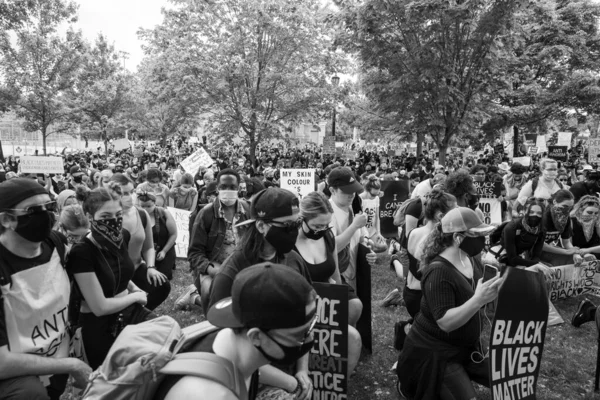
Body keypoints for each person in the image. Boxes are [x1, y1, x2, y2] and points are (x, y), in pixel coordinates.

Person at [208, 187, 313, 399]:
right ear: (261, 225)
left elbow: (304, 322)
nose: (294, 231)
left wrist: (302, 369)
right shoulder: (231, 275)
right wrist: (289, 382)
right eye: (287, 226)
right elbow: (227, 351)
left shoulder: (293, 260)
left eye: (298, 223)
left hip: (289, 358)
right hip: (249, 374)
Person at [156, 263, 317, 400]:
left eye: (311, 327)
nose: (311, 338)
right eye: (299, 335)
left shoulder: (234, 344)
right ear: (256, 336)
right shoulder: (209, 394)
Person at [0, 178, 92, 400]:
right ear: (7, 219)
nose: (45, 215)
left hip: (55, 355)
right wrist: (71, 365)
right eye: (33, 210)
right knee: (29, 394)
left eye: (49, 206)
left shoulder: (55, 242)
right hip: (17, 372)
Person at [396, 207, 500, 399]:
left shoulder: (470, 258)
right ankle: (409, 382)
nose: (482, 240)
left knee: (507, 379)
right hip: (437, 354)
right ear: (458, 238)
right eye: (476, 235)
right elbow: (445, 322)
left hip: (467, 348)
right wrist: (478, 300)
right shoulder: (439, 272)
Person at [68, 184, 155, 370]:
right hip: (99, 326)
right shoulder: (82, 252)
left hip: (127, 314)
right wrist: (137, 296)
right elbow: (99, 307)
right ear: (90, 218)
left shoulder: (121, 236)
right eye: (106, 217)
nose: (114, 221)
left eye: (118, 215)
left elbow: (120, 270)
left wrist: (133, 288)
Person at [293, 192, 362, 376]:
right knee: (351, 335)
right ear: (302, 218)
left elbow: (335, 273)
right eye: (317, 225)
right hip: (302, 302)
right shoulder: (290, 242)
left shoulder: (327, 236)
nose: (321, 229)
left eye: (326, 225)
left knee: (355, 304)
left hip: (326, 296)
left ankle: (337, 356)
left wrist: (338, 300)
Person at [185, 169, 250, 312]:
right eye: (223, 187)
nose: (228, 190)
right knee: (211, 293)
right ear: (217, 188)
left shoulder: (248, 211)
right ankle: (198, 300)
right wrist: (210, 269)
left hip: (242, 266)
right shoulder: (205, 214)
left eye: (232, 187)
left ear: (238, 188)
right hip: (214, 267)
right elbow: (194, 252)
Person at [111, 173, 171, 310]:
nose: (129, 196)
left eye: (131, 192)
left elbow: (148, 247)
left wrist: (150, 267)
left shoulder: (141, 214)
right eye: (123, 193)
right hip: (115, 274)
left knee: (162, 286)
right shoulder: (107, 219)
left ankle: (140, 314)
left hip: (137, 267)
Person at [137, 191, 178, 280]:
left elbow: (173, 234)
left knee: (163, 278)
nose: (145, 209)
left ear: (155, 204)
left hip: (165, 249)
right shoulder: (136, 215)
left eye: (149, 206)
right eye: (142, 206)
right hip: (144, 252)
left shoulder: (164, 213)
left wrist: (164, 251)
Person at [540, 189, 579, 266]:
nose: (567, 210)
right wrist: (567, 252)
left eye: (570, 207)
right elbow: (540, 245)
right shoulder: (543, 216)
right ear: (555, 202)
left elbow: (566, 242)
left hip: (549, 250)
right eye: (564, 206)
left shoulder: (565, 218)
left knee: (575, 260)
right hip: (532, 251)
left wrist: (575, 254)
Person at [570, 195, 600, 260]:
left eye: (596, 213)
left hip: (592, 252)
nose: (593, 215)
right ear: (580, 211)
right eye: (589, 212)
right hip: (574, 253)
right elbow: (567, 244)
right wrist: (580, 253)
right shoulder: (571, 221)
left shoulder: (597, 221)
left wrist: (588, 250)